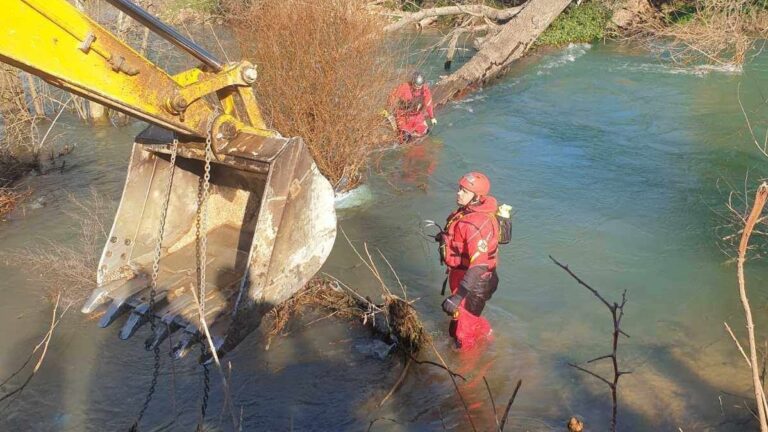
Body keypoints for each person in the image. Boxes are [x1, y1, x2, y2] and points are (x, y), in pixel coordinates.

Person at [438, 172, 500, 350]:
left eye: (464, 191)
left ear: (477, 197)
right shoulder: (467, 212)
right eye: (459, 189)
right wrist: (444, 239)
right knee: (467, 318)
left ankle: (467, 372)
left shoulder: (476, 224)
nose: (459, 193)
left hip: (474, 282)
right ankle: (488, 337)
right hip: (462, 276)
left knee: (463, 337)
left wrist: (457, 297)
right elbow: (458, 238)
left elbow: (479, 266)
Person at [388, 71, 436, 143]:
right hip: (403, 115)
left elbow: (429, 104)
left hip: (417, 115)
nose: (417, 89)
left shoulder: (425, 90)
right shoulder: (404, 87)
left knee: (426, 132)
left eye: (419, 87)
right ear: (412, 83)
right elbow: (392, 96)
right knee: (405, 137)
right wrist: (389, 109)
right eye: (415, 86)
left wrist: (432, 117)